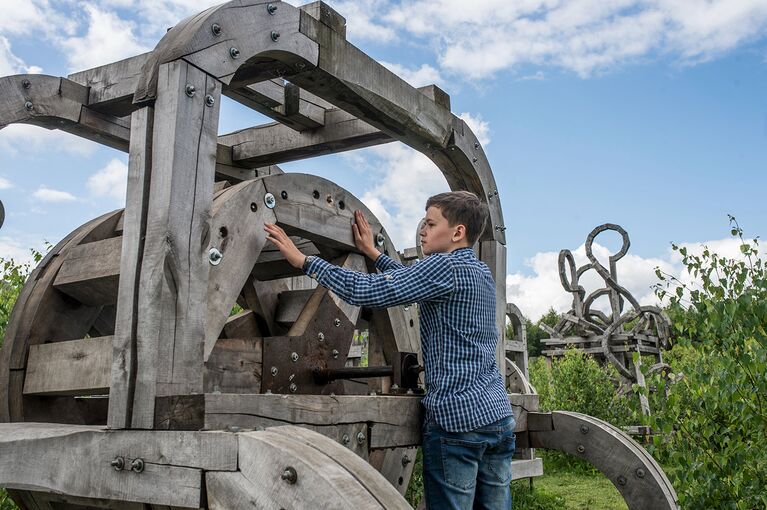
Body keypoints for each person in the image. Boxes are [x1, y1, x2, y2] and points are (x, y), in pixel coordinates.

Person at [264, 190, 515, 509]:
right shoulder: (480, 273)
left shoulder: (442, 268)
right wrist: (373, 253)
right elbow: (413, 282)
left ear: (457, 232)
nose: (423, 229)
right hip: (496, 418)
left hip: (457, 425)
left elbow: (366, 290)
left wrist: (304, 261)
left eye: (430, 223)